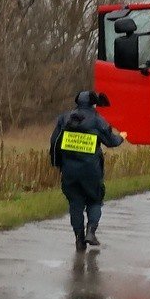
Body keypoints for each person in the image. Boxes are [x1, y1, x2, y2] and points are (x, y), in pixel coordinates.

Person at [49, 91, 124, 251]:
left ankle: (79, 239)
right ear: (93, 103)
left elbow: (54, 141)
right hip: (91, 171)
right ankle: (91, 231)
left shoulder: (65, 118)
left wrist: (56, 163)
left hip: (69, 171)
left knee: (75, 204)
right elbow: (111, 141)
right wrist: (122, 137)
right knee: (94, 200)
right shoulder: (97, 119)